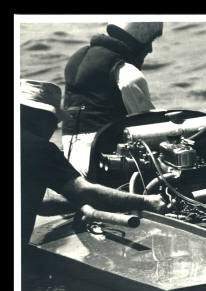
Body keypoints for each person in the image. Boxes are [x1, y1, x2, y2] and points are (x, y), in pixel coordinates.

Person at [20, 79, 166, 245]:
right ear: (40, 117)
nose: (54, 128)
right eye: (54, 121)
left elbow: (43, 203)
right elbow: (84, 191)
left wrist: (79, 202)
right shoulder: (38, 148)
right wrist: (147, 202)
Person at [61, 22, 163, 176]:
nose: (150, 49)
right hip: (104, 162)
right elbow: (147, 125)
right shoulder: (127, 72)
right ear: (139, 40)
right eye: (150, 42)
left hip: (70, 160)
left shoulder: (76, 59)